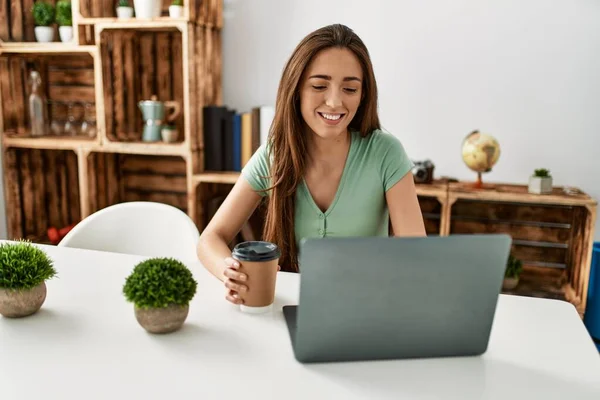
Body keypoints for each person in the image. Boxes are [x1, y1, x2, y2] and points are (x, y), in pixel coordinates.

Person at [196, 23, 426, 305]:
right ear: (296, 89)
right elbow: (211, 238)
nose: (334, 101)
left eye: (350, 89)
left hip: (367, 306)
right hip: (292, 306)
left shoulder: (385, 152)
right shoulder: (274, 155)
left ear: (363, 94)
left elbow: (416, 255)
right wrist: (229, 270)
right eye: (319, 86)